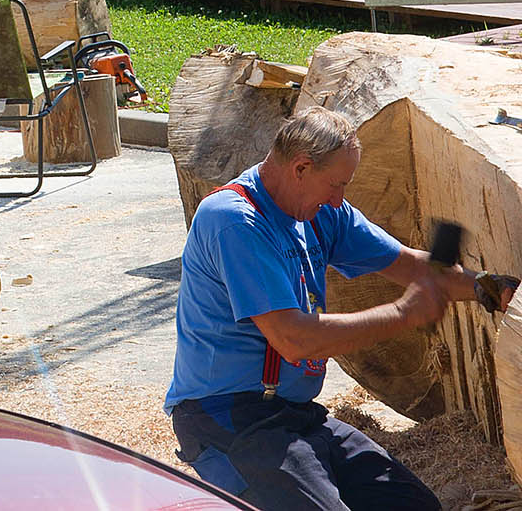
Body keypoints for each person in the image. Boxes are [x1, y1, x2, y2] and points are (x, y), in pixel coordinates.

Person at [165, 106, 519, 511]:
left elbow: (407, 263)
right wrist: (404, 313)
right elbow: (295, 340)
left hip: (294, 413)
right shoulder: (235, 221)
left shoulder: (321, 212)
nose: (340, 198)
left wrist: (484, 286)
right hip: (228, 417)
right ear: (300, 167)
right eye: (336, 185)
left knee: (416, 506)